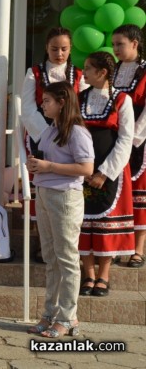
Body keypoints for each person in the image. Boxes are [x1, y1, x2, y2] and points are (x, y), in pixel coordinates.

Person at [25, 81, 94, 338]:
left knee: (66, 257)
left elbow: (86, 169)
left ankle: (67, 317)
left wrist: (49, 167)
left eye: (48, 101)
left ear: (62, 102)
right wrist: (36, 165)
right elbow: (45, 158)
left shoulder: (77, 132)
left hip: (65, 197)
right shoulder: (52, 128)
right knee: (51, 256)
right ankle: (49, 313)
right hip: (44, 194)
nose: (43, 105)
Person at [20, 26, 87, 264]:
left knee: (65, 187)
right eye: (54, 48)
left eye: (64, 49)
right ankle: (42, 241)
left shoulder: (78, 75)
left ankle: (67, 244)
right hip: (41, 136)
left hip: (70, 137)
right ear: (46, 48)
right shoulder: (34, 73)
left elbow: (82, 108)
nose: (59, 53)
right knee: (42, 187)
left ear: (70, 49)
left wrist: (67, 133)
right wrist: (49, 134)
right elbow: (27, 108)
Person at [79, 51, 135, 298]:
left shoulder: (123, 100)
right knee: (83, 223)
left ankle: (104, 275)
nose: (84, 72)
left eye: (88, 68)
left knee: (104, 225)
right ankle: (88, 274)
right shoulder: (78, 99)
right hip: (82, 170)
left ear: (102, 72)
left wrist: (104, 173)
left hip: (111, 172)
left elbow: (125, 140)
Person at [112, 24, 146, 268]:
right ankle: (114, 245)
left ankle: (138, 248)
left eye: (120, 44)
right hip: (113, 138)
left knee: (138, 193)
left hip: (138, 138)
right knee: (117, 190)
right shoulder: (111, 71)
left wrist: (133, 136)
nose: (115, 49)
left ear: (135, 43)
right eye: (113, 45)